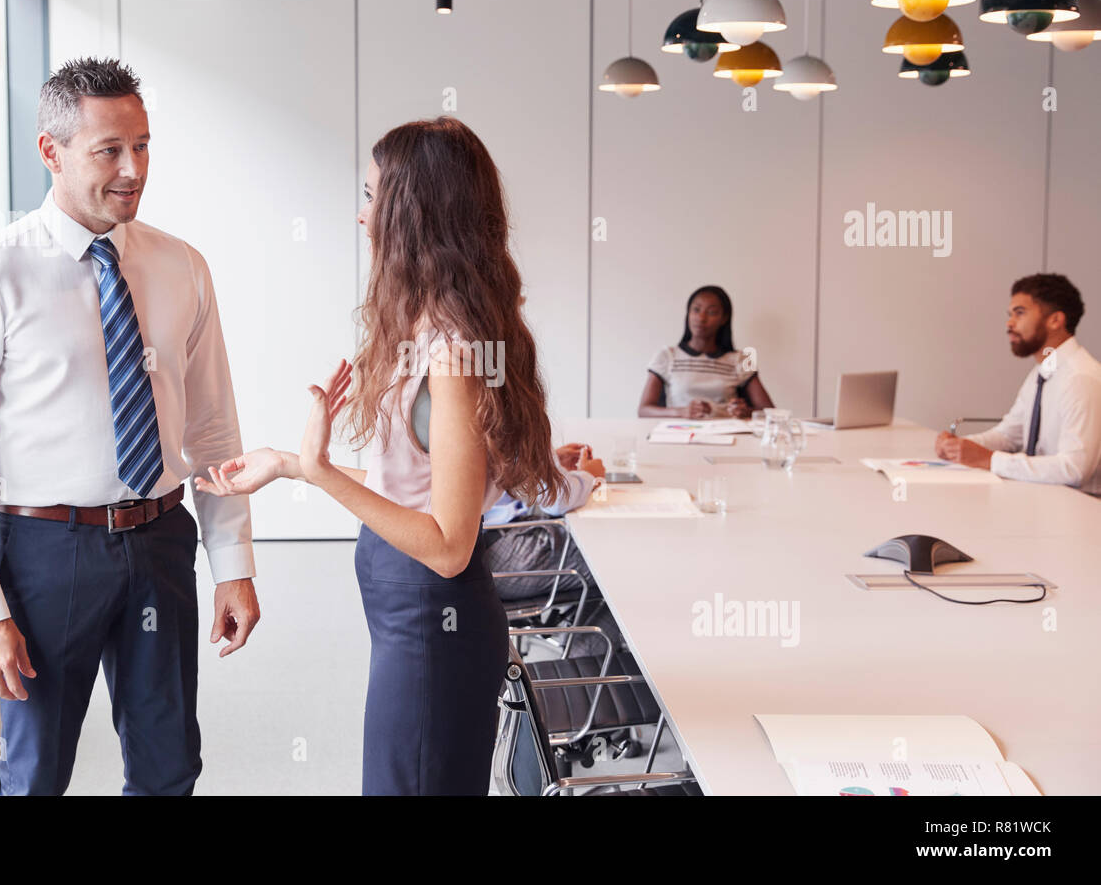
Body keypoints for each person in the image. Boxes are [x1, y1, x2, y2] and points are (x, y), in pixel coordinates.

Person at [0, 58, 260, 795]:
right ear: (52, 151)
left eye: (142, 145)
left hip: (163, 540)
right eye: (109, 150)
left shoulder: (181, 266)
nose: (133, 168)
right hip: (46, 553)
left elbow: (212, 429)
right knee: (37, 773)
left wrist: (233, 560)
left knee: (170, 765)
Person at [196, 116, 564, 795]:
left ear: (412, 216)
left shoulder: (449, 353)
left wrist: (321, 472)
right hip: (417, 631)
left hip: (434, 632)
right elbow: (418, 485)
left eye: (371, 197)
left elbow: (449, 544)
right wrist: (284, 462)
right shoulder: (432, 330)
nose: (361, 217)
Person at [935, 273, 1101, 495]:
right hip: (1046, 499)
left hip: (1082, 508)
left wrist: (990, 460)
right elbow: (1009, 435)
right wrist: (960, 447)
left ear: (1055, 320)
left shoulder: (1081, 378)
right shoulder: (1042, 373)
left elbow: (1074, 469)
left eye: (1020, 313)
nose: (1009, 323)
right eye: (1010, 314)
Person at [483, 443, 624, 657]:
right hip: (503, 555)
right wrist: (588, 475)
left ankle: (585, 658)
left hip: (483, 550)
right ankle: (586, 670)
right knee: (621, 561)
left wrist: (548, 462)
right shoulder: (517, 410)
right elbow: (556, 499)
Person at [638, 285, 775, 419]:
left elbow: (769, 411)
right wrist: (682, 412)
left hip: (727, 436)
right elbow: (644, 410)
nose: (701, 318)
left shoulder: (742, 359)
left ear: (724, 318)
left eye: (711, 312)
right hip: (679, 435)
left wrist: (746, 412)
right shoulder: (667, 356)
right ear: (688, 313)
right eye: (696, 310)